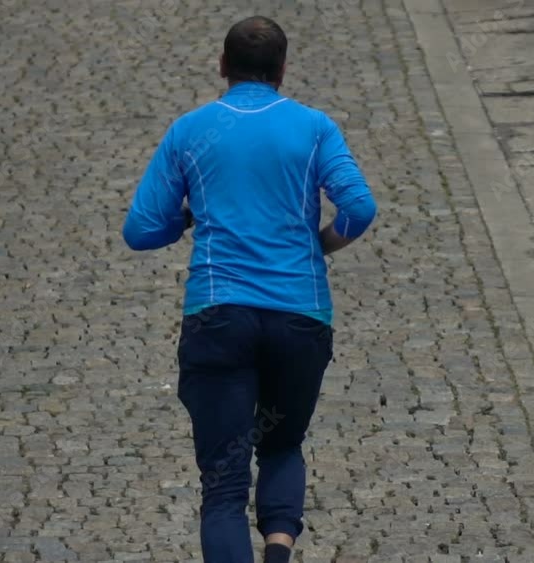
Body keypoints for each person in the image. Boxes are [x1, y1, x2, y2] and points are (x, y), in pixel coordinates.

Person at [122, 15, 377, 563]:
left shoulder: (189, 131)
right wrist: (320, 246)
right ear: (282, 70)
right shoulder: (314, 128)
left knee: (223, 486)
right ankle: (279, 550)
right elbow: (359, 207)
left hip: (219, 316)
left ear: (222, 66)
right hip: (300, 319)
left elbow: (140, 231)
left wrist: (185, 218)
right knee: (282, 444)